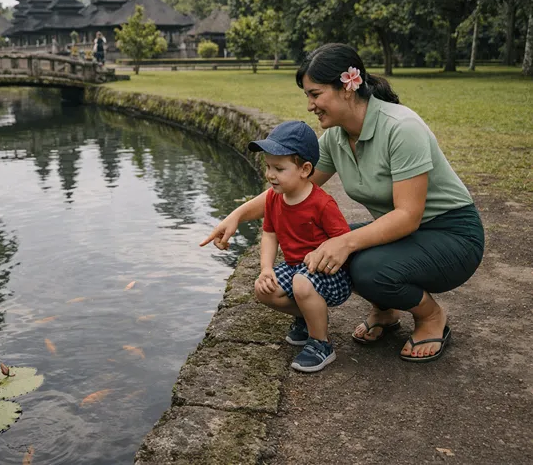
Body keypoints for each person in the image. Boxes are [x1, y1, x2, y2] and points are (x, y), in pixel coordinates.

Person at [201, 43, 484, 363]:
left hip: (452, 236)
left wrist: (345, 244)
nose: (310, 105)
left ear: (347, 88)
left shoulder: (401, 128)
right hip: (405, 234)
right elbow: (289, 186)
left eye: (315, 94)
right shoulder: (336, 139)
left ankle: (431, 317)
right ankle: (385, 312)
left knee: (358, 261)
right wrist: (237, 216)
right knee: (328, 245)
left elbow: (408, 216)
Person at [249, 120, 353, 372]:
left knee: (301, 283)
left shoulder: (322, 204)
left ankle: (322, 343)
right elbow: (269, 234)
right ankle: (308, 319)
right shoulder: (275, 198)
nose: (270, 175)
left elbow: (344, 242)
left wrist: (323, 255)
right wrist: (266, 269)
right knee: (263, 290)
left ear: (305, 169)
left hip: (331, 274)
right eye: (268, 167)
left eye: (279, 168)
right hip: (296, 269)